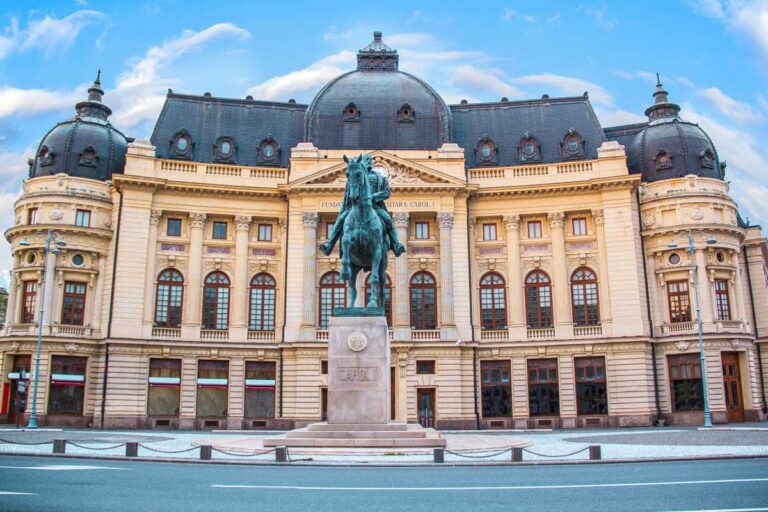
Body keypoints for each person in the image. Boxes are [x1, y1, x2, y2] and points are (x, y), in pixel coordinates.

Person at [320, 154, 406, 257]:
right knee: (341, 219)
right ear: (361, 162)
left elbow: (386, 193)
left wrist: (373, 197)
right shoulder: (354, 177)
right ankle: (329, 244)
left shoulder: (380, 178)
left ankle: (396, 245)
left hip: (375, 208)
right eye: (366, 159)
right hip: (356, 208)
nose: (369, 161)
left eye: (370, 160)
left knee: (388, 220)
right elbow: (348, 195)